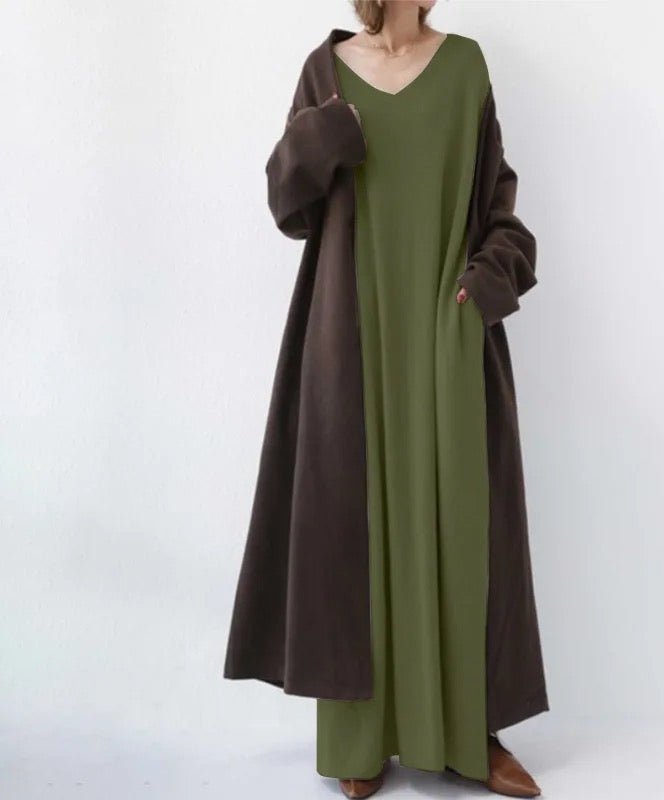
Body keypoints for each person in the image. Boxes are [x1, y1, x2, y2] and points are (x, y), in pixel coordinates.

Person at [223, 2, 548, 798]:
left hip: (447, 329)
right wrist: (322, 137)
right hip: (350, 334)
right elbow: (288, 207)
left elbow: (499, 208)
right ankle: (359, 738)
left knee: (461, 527)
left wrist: (482, 287)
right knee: (350, 525)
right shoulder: (326, 73)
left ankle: (471, 733)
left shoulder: (465, 66)